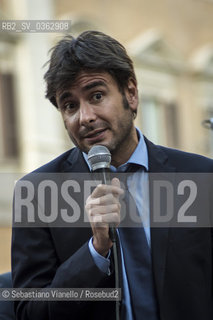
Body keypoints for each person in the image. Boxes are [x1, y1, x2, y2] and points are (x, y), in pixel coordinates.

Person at [12, 31, 213, 320]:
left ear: (131, 94)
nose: (85, 117)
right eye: (70, 105)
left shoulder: (200, 177)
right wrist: (95, 250)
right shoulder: (38, 193)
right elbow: (29, 312)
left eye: (96, 95)